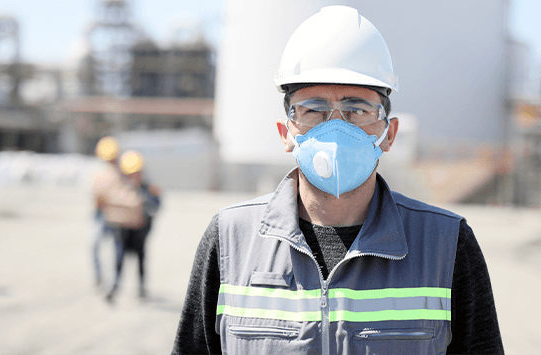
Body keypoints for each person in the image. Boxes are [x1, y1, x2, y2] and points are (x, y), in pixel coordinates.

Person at [172, 5, 504, 355]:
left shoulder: (447, 246)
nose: (336, 128)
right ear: (286, 132)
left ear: (389, 134)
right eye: (313, 109)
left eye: (357, 109)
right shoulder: (229, 241)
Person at [106, 150, 161, 301]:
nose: (132, 176)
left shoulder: (149, 188)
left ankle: (142, 288)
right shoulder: (119, 186)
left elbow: (156, 206)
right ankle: (115, 286)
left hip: (141, 231)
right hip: (122, 231)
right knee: (119, 258)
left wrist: (143, 204)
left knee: (141, 258)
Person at [91, 137, 144, 290]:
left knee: (121, 251)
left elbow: (128, 193)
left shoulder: (122, 171)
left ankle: (117, 282)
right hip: (101, 213)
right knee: (95, 246)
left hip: (117, 216)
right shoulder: (99, 171)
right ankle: (100, 279)